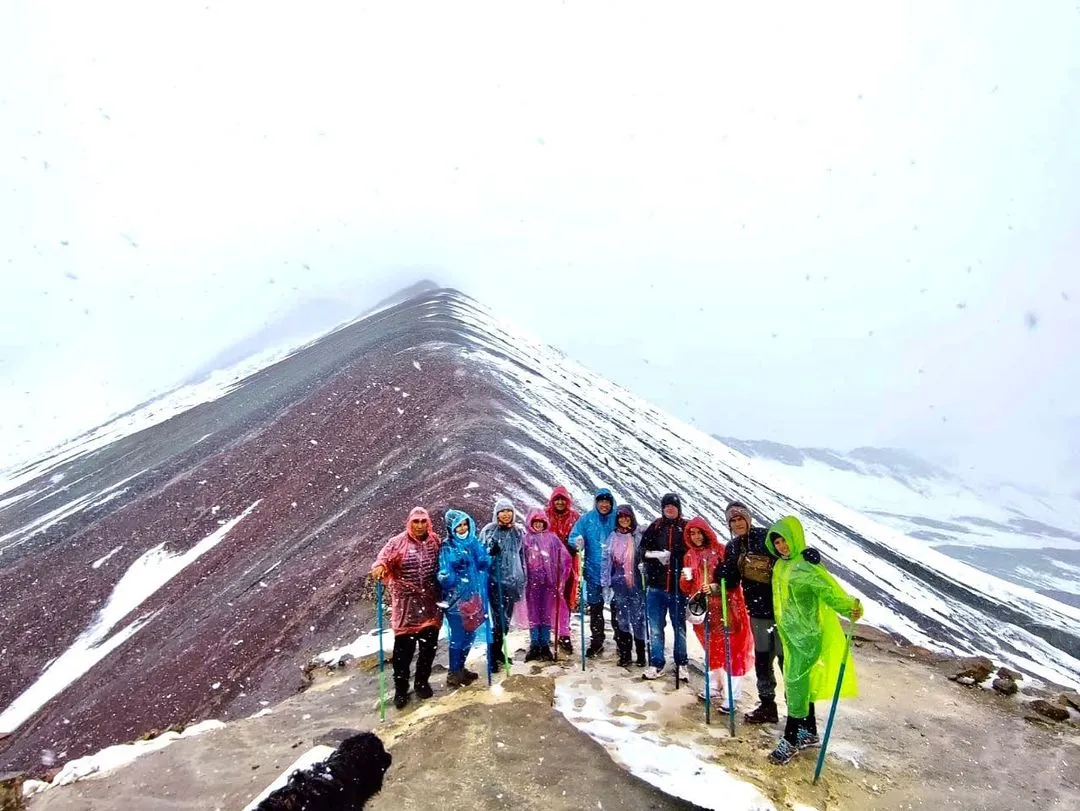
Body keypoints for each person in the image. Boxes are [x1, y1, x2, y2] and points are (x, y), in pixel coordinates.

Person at [765, 515, 863, 765]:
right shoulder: (780, 566)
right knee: (800, 685)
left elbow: (830, 591)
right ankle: (808, 732)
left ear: (795, 539)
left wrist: (851, 607)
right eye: (777, 543)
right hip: (790, 636)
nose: (782, 547)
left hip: (807, 638)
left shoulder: (807, 567)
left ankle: (790, 739)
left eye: (785, 541)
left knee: (795, 688)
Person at [718, 501, 784, 724]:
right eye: (733, 520)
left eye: (740, 519)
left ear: (749, 518)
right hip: (757, 612)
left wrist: (807, 555)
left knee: (786, 660)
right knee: (763, 659)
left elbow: (788, 554)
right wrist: (723, 573)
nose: (737, 523)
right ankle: (768, 706)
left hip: (781, 611)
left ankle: (798, 712)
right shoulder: (733, 547)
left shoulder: (766, 538)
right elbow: (733, 582)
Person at [370, 507, 443, 709]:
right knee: (403, 653)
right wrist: (379, 567)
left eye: (423, 521)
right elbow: (382, 559)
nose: (420, 525)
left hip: (430, 605)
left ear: (428, 522)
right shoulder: (397, 542)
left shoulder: (434, 541)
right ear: (409, 523)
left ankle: (421, 682)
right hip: (406, 608)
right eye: (416, 522)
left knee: (428, 649)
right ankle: (401, 690)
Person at [681, 516, 754, 708]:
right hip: (704, 611)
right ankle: (713, 685)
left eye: (699, 532)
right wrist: (685, 578)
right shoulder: (689, 556)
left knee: (733, 650)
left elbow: (731, 580)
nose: (696, 537)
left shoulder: (721, 550)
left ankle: (732, 694)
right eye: (692, 533)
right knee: (712, 649)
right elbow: (687, 588)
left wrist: (717, 587)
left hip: (727, 608)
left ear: (706, 532)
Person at [437, 509, 491, 689]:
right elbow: (446, 575)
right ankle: (453, 672)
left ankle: (460, 667)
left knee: (470, 634)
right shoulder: (447, 547)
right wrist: (445, 576)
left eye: (464, 524)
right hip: (456, 600)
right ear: (450, 528)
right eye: (458, 525)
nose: (462, 528)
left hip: (474, 596)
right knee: (458, 635)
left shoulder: (473, 542)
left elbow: (483, 562)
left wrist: (490, 554)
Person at [640, 493, 689, 680]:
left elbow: (694, 550)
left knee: (680, 627)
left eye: (673, 506)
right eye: (666, 506)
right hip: (656, 587)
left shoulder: (685, 528)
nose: (669, 509)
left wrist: (680, 559)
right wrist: (655, 555)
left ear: (678, 508)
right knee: (655, 627)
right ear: (662, 508)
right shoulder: (656, 526)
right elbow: (642, 551)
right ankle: (656, 663)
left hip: (678, 587)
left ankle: (682, 663)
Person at [569, 488, 618, 657]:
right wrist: (578, 542)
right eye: (601, 501)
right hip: (592, 570)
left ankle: (621, 640)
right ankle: (597, 640)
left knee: (617, 607)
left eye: (607, 502)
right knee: (595, 607)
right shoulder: (587, 519)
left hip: (615, 571)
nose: (604, 505)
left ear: (611, 503)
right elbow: (574, 536)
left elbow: (629, 531)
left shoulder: (617, 518)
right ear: (596, 502)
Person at [479, 497, 526, 673]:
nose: (506, 515)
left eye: (509, 511)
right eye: (502, 511)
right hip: (495, 581)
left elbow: (522, 556)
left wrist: (523, 577)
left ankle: (498, 652)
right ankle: (492, 655)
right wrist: (490, 554)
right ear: (496, 513)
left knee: (505, 622)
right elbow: (481, 557)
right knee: (498, 622)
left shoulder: (518, 532)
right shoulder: (489, 531)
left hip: (513, 582)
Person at [522, 509, 572, 661]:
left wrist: (560, 575)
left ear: (545, 523)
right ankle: (535, 644)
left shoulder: (552, 539)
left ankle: (544, 644)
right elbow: (521, 559)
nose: (538, 525)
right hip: (532, 584)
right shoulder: (526, 539)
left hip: (549, 584)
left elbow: (564, 558)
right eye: (535, 523)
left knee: (546, 614)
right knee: (534, 614)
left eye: (540, 523)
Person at [601, 505, 647, 667]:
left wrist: (645, 570)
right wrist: (606, 582)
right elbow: (606, 560)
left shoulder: (638, 536)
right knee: (622, 618)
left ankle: (641, 654)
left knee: (638, 618)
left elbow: (645, 556)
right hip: (619, 584)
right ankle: (625, 653)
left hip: (636, 584)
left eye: (627, 517)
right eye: (621, 517)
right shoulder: (613, 537)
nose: (624, 520)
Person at [545, 485, 581, 655]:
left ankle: (564, 633)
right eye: (557, 499)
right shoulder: (545, 516)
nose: (560, 502)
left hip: (569, 563)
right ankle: (546, 632)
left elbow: (580, 538)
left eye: (562, 499)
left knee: (566, 597)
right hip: (549, 563)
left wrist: (573, 545)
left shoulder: (575, 517)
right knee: (549, 597)